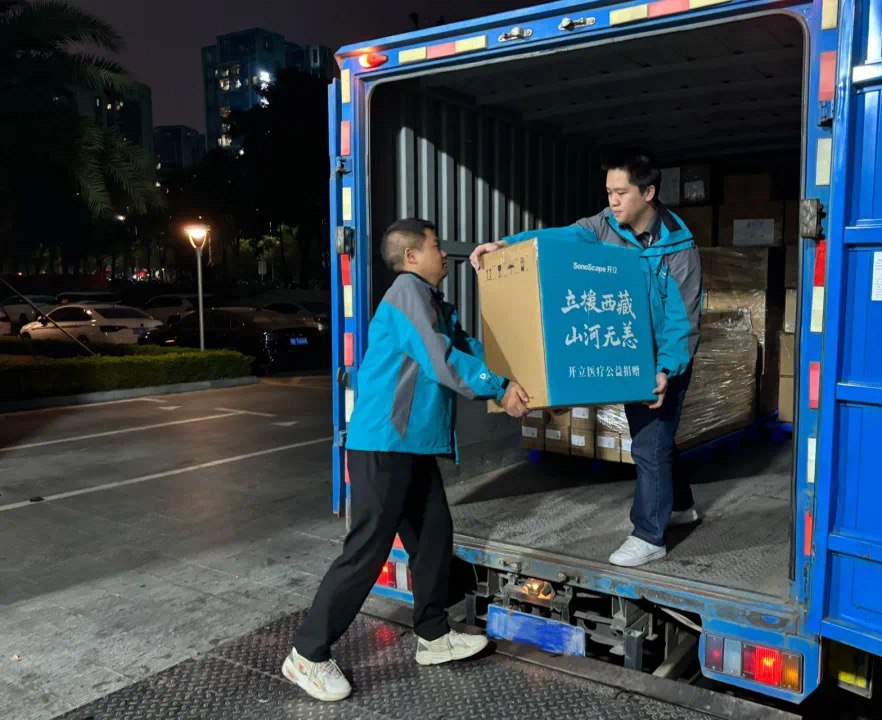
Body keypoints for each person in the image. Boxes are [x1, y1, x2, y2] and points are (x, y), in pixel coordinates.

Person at [283, 218, 530, 702]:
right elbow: (442, 359)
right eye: (436, 246)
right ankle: (307, 655)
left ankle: (434, 636)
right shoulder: (407, 294)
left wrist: (515, 370)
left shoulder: (431, 300)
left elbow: (464, 347)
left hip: (410, 448)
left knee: (434, 536)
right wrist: (499, 388)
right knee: (367, 550)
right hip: (384, 446)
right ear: (412, 256)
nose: (445, 254)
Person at [469, 150, 702, 568]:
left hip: (665, 362)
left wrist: (666, 369)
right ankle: (681, 506)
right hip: (630, 354)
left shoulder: (678, 246)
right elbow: (560, 237)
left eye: (621, 193)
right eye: (609, 192)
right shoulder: (605, 226)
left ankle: (650, 535)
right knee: (658, 439)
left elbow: (681, 318)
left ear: (648, 193)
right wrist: (507, 245)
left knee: (649, 444)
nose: (612, 201)